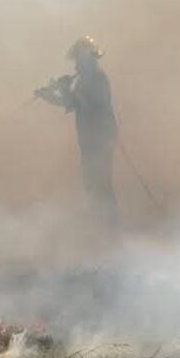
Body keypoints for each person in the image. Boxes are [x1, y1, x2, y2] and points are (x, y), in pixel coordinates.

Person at [35, 36, 120, 226]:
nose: (77, 65)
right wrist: (47, 95)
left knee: (101, 186)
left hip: (100, 140)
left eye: (80, 60)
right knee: (91, 185)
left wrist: (66, 90)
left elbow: (89, 104)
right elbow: (70, 103)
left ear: (91, 59)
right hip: (88, 141)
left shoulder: (98, 79)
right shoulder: (83, 80)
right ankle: (100, 227)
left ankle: (112, 228)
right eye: (77, 60)